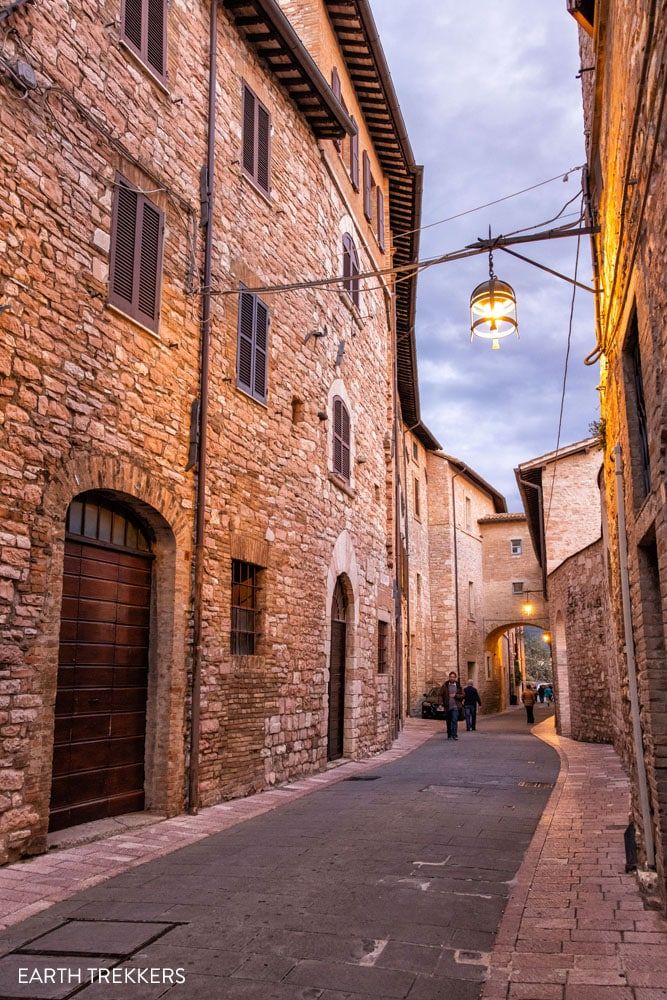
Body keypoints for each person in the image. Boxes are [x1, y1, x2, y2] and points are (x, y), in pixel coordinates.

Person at [440, 671, 464, 741]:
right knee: (448, 721)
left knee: (454, 720)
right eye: (451, 677)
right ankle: (449, 734)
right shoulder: (445, 686)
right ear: (449, 677)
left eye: (453, 677)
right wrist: (441, 703)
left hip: (455, 706)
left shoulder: (458, 686)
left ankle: (455, 735)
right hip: (447, 706)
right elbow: (440, 695)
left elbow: (463, 695)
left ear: (455, 678)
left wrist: (456, 695)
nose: (452, 678)